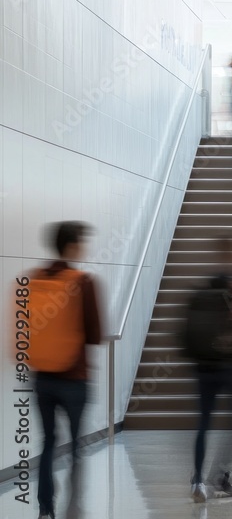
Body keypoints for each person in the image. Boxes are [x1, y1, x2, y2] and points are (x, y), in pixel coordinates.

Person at [30, 222, 104, 519]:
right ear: (72, 246)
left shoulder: (33, 280)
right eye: (81, 242)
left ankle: (46, 508)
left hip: (42, 376)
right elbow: (96, 335)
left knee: (48, 442)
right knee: (76, 446)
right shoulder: (83, 282)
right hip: (74, 379)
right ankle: (74, 509)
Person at [186, 237, 232, 503]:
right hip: (228, 364)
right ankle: (221, 477)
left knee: (203, 423)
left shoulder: (203, 291)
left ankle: (197, 480)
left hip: (203, 365)